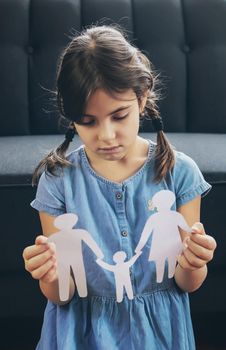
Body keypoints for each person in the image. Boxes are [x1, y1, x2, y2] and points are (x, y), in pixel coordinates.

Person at [22, 25, 216, 349]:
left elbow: (186, 283)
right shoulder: (57, 181)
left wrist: (195, 262)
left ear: (141, 99)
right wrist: (49, 275)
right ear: (71, 118)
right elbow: (63, 294)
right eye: (88, 121)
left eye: (119, 115)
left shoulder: (179, 172)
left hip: (159, 333)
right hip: (81, 334)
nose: (106, 136)